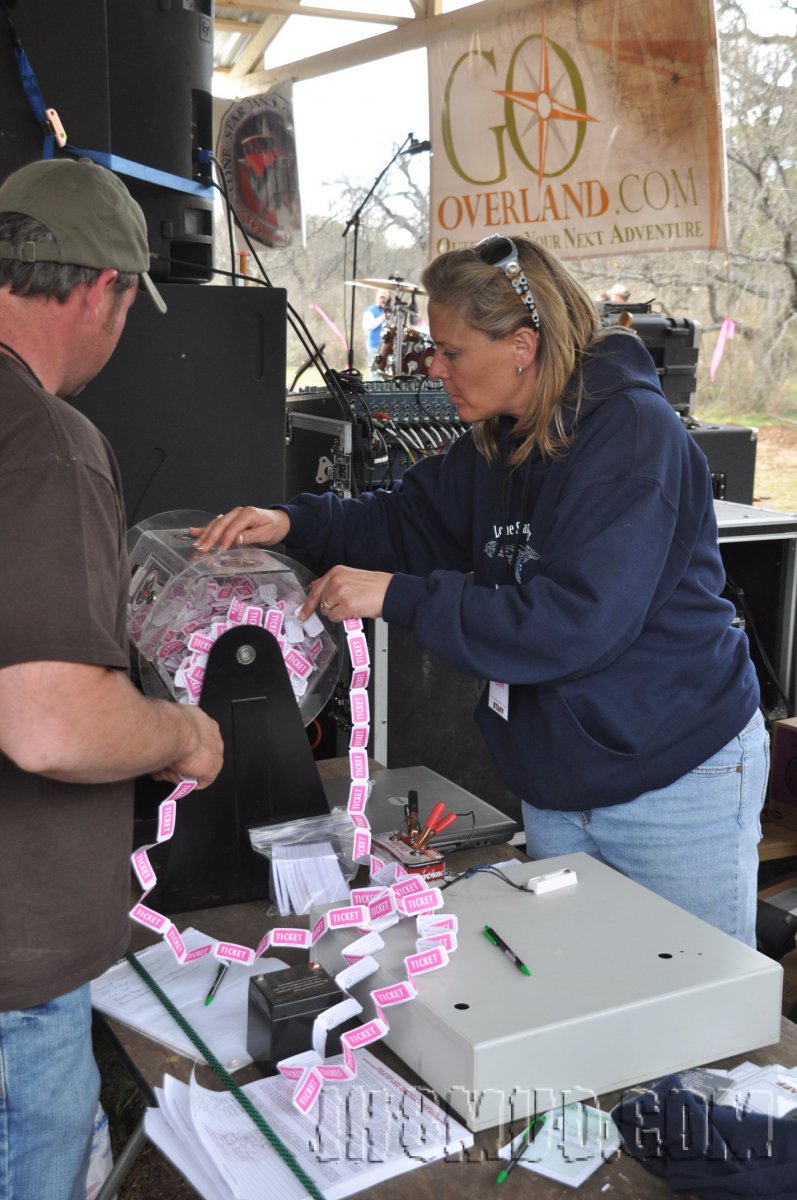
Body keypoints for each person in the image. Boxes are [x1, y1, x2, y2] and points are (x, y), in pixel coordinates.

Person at [195, 234, 768, 949]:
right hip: (560, 777)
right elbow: (406, 519)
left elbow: (570, 623)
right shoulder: (501, 438)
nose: (433, 369)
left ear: (522, 347)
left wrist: (398, 597)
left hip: (670, 778)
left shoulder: (630, 439)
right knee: (581, 994)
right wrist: (289, 522)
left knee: (694, 1010)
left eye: (450, 352)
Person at [0, 157, 224, 1200]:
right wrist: (181, 734)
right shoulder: (46, 443)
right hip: (14, 972)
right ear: (101, 289)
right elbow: (48, 725)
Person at [362, 288, 389, 376]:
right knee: (374, 373)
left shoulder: (389, 311)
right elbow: (367, 326)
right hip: (374, 346)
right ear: (377, 298)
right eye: (381, 297)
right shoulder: (370, 311)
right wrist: (382, 318)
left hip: (387, 347)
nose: (383, 300)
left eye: (385, 298)